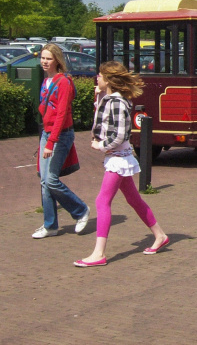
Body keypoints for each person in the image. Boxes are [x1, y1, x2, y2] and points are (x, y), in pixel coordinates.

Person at [74, 61, 169, 267]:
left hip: (118, 158)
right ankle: (160, 235)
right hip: (117, 156)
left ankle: (99, 253)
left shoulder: (116, 102)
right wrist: (98, 96)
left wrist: (100, 146)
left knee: (102, 201)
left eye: (100, 75)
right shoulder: (110, 99)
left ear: (108, 79)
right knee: (134, 199)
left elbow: (119, 135)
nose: (96, 78)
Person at [33, 44, 90, 239]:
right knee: (44, 181)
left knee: (51, 180)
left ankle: (81, 210)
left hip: (60, 135)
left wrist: (51, 142)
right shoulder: (46, 81)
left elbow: (62, 114)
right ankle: (50, 225)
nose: (44, 62)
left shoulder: (63, 82)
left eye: (48, 58)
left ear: (57, 60)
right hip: (47, 133)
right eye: (42, 58)